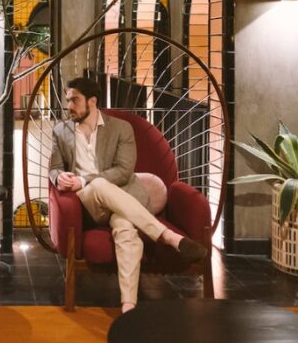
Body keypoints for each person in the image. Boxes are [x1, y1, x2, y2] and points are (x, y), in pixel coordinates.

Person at [50, 77, 207, 313]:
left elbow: (123, 172)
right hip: (90, 203)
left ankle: (128, 308)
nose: (69, 106)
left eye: (74, 100)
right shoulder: (61, 131)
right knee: (99, 186)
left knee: (126, 231)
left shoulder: (121, 128)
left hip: (123, 197)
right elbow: (54, 168)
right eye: (68, 100)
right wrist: (59, 177)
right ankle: (168, 236)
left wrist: (84, 179)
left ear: (92, 101)